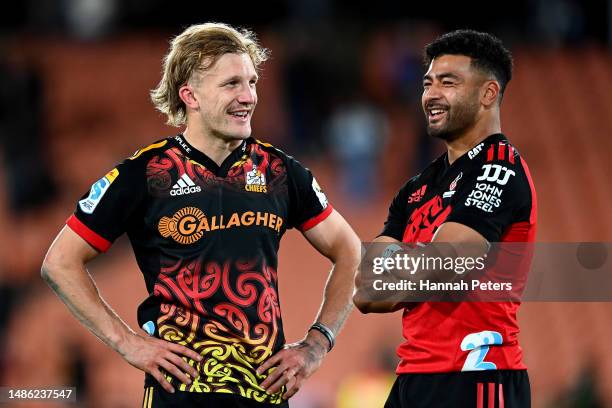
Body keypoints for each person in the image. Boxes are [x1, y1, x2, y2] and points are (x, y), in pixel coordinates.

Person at [41, 22, 361, 408]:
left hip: (264, 393)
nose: (249, 97)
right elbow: (60, 263)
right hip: (180, 394)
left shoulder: (280, 172)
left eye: (252, 82)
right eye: (231, 84)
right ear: (190, 95)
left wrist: (317, 343)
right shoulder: (146, 173)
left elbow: (351, 250)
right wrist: (128, 344)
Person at [354, 30, 537, 407]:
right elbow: (367, 290)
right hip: (413, 378)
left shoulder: (498, 167)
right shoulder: (416, 188)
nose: (431, 94)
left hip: (476, 378)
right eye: (428, 83)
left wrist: (402, 268)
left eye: (448, 82)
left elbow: (453, 260)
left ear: (488, 94)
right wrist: (424, 264)